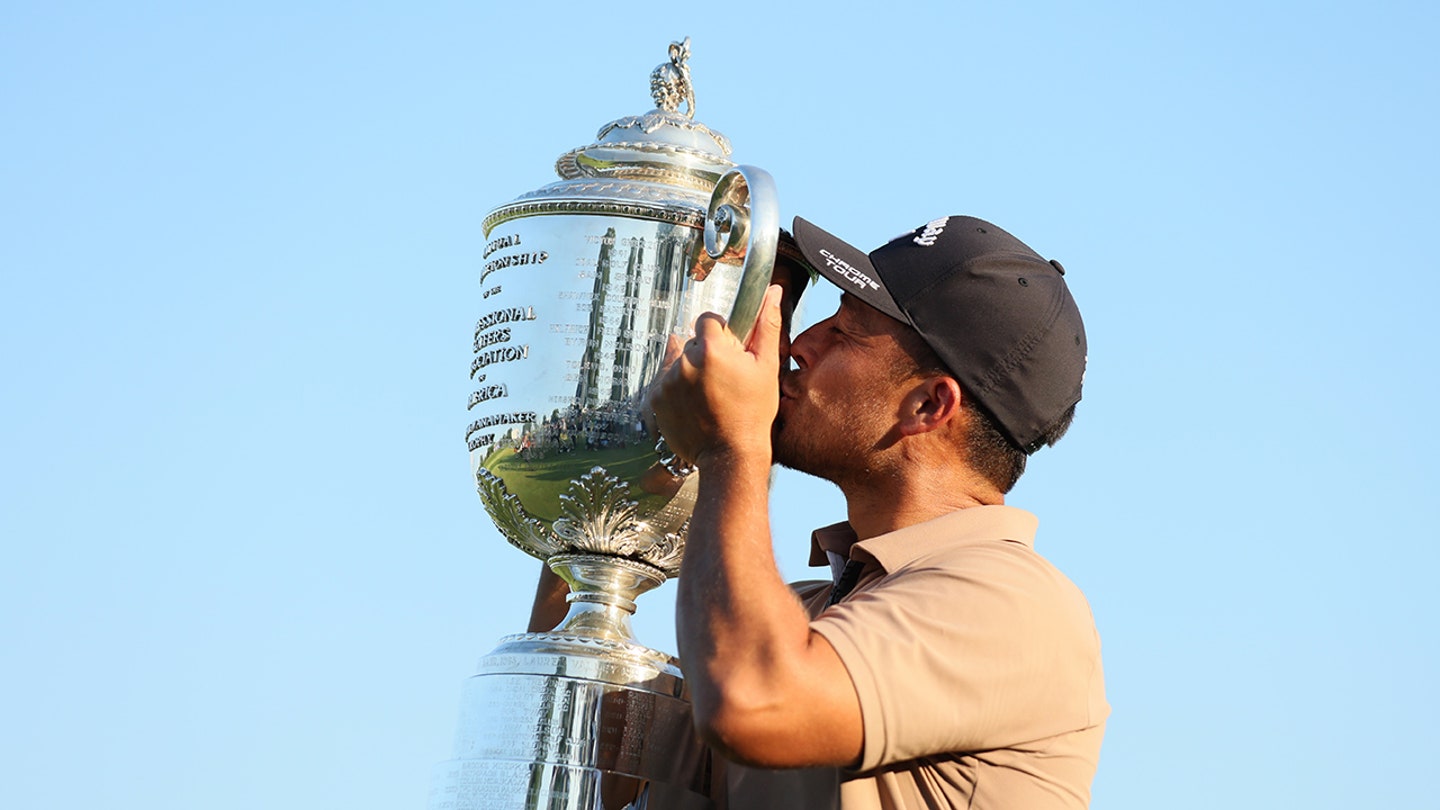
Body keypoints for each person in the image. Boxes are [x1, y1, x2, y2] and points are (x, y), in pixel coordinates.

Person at [650, 215, 1107, 809]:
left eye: (844, 330)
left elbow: (752, 699)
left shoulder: (1013, 599)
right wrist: (589, 532)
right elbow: (590, 773)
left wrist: (731, 445)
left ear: (928, 404)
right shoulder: (798, 614)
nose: (797, 345)